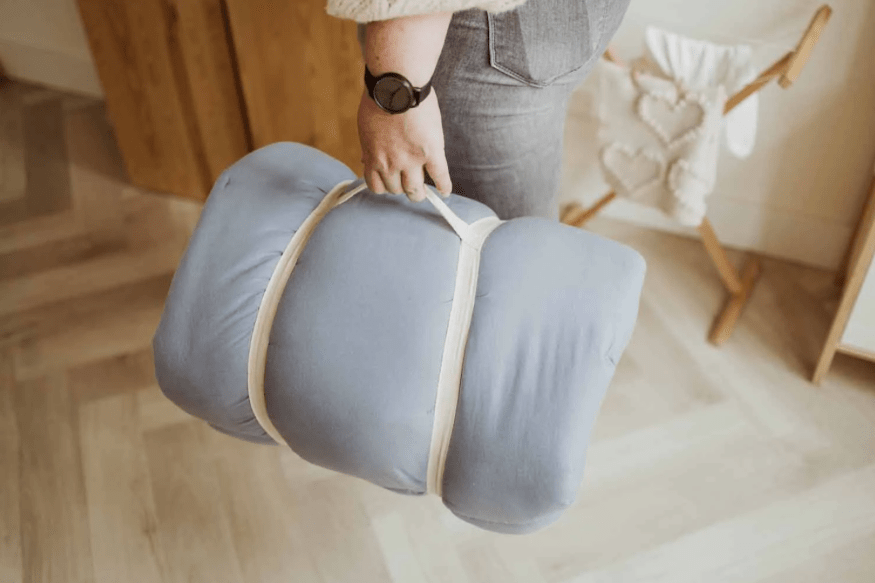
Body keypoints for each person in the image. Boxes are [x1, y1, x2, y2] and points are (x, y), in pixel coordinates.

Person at [328, 0, 631, 220]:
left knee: (502, 242)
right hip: (571, 21)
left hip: (484, 26)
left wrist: (397, 88)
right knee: (516, 227)